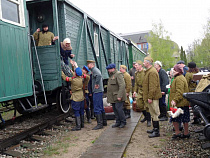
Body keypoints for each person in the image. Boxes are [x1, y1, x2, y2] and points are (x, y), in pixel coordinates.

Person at [142, 56, 162, 138]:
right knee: (153, 113)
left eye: (144, 62)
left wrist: (150, 97)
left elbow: (153, 86)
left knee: (155, 113)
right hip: (151, 97)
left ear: (147, 63)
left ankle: (157, 131)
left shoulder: (152, 72)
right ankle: (155, 128)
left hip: (153, 97)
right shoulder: (149, 71)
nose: (143, 63)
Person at [169, 64, 190, 139]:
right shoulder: (179, 78)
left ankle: (179, 133)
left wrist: (175, 100)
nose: (172, 71)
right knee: (184, 118)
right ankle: (185, 133)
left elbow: (180, 91)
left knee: (176, 118)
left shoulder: (179, 79)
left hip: (180, 103)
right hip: (182, 102)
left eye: (174, 70)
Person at [87, 60, 107, 130]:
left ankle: (99, 124)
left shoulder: (95, 70)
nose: (87, 66)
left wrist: (96, 84)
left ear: (91, 64)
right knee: (101, 107)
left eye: (88, 64)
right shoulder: (95, 70)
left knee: (97, 107)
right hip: (98, 91)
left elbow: (98, 75)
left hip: (97, 91)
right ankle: (104, 122)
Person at [106, 63, 127, 128]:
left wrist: (119, 95)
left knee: (119, 109)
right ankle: (118, 122)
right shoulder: (112, 75)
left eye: (109, 69)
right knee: (115, 109)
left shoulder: (118, 74)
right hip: (113, 97)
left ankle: (123, 122)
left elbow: (122, 85)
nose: (108, 70)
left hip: (117, 96)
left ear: (113, 69)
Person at [133, 60, 151, 127]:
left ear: (140, 66)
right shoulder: (136, 73)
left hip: (145, 90)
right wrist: (135, 91)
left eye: (136, 65)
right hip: (140, 90)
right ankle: (146, 116)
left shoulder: (145, 72)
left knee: (147, 105)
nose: (135, 66)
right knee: (139, 104)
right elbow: (136, 83)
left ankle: (149, 120)